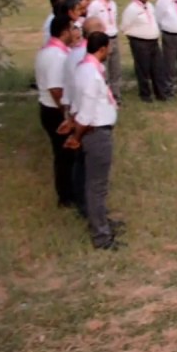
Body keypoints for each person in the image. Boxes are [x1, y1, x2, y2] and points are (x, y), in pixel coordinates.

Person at [64, 32, 122, 251]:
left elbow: (78, 103)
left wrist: (71, 122)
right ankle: (101, 236)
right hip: (96, 133)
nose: (110, 52)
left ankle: (102, 222)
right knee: (97, 186)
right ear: (102, 49)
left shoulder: (85, 68)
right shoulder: (91, 74)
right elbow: (87, 114)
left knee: (94, 184)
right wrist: (76, 136)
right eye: (109, 48)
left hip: (95, 129)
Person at [61, 17, 103, 218]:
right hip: (87, 120)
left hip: (79, 113)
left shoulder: (77, 54)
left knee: (82, 162)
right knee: (88, 167)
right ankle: (88, 208)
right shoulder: (84, 57)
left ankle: (84, 203)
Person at [36, 15, 77, 210]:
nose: (75, 32)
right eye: (72, 28)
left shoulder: (51, 51)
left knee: (65, 154)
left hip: (50, 108)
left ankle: (69, 192)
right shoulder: (55, 56)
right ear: (65, 31)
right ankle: (66, 196)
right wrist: (67, 115)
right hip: (54, 111)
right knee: (65, 155)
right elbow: (55, 89)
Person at [121, 0, 171, 103]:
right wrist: (135, 37)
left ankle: (160, 93)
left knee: (158, 68)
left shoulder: (149, 6)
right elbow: (124, 27)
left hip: (153, 41)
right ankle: (145, 95)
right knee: (143, 69)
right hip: (140, 42)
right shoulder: (131, 9)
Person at [85, 0, 122, 103]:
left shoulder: (114, 4)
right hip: (102, 39)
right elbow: (90, 22)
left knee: (115, 68)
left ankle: (116, 95)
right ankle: (104, 96)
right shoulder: (95, 5)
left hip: (114, 37)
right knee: (103, 69)